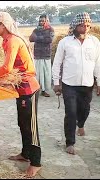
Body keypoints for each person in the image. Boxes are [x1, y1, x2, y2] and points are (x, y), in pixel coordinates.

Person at [0, 11, 41, 177]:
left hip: (29, 88)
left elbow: (7, 68)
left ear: (2, 25)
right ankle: (26, 154)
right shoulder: (6, 40)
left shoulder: (13, 40)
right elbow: (9, 68)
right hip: (20, 87)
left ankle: (36, 162)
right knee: (22, 123)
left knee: (30, 126)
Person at [52, 12, 100, 155]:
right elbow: (57, 63)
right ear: (75, 26)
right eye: (81, 25)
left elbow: (98, 64)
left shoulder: (95, 42)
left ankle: (82, 124)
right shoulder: (65, 42)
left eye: (87, 25)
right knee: (71, 112)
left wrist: (99, 83)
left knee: (84, 110)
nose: (84, 28)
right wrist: (56, 82)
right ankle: (70, 142)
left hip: (87, 84)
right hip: (69, 84)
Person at [29, 14, 55, 97]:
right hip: (37, 55)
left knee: (46, 74)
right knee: (37, 74)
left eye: (43, 21)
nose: (41, 22)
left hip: (46, 55)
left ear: (47, 21)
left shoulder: (50, 29)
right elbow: (30, 39)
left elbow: (50, 40)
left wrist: (37, 38)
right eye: (40, 21)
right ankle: (36, 89)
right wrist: (43, 38)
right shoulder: (36, 30)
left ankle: (44, 90)